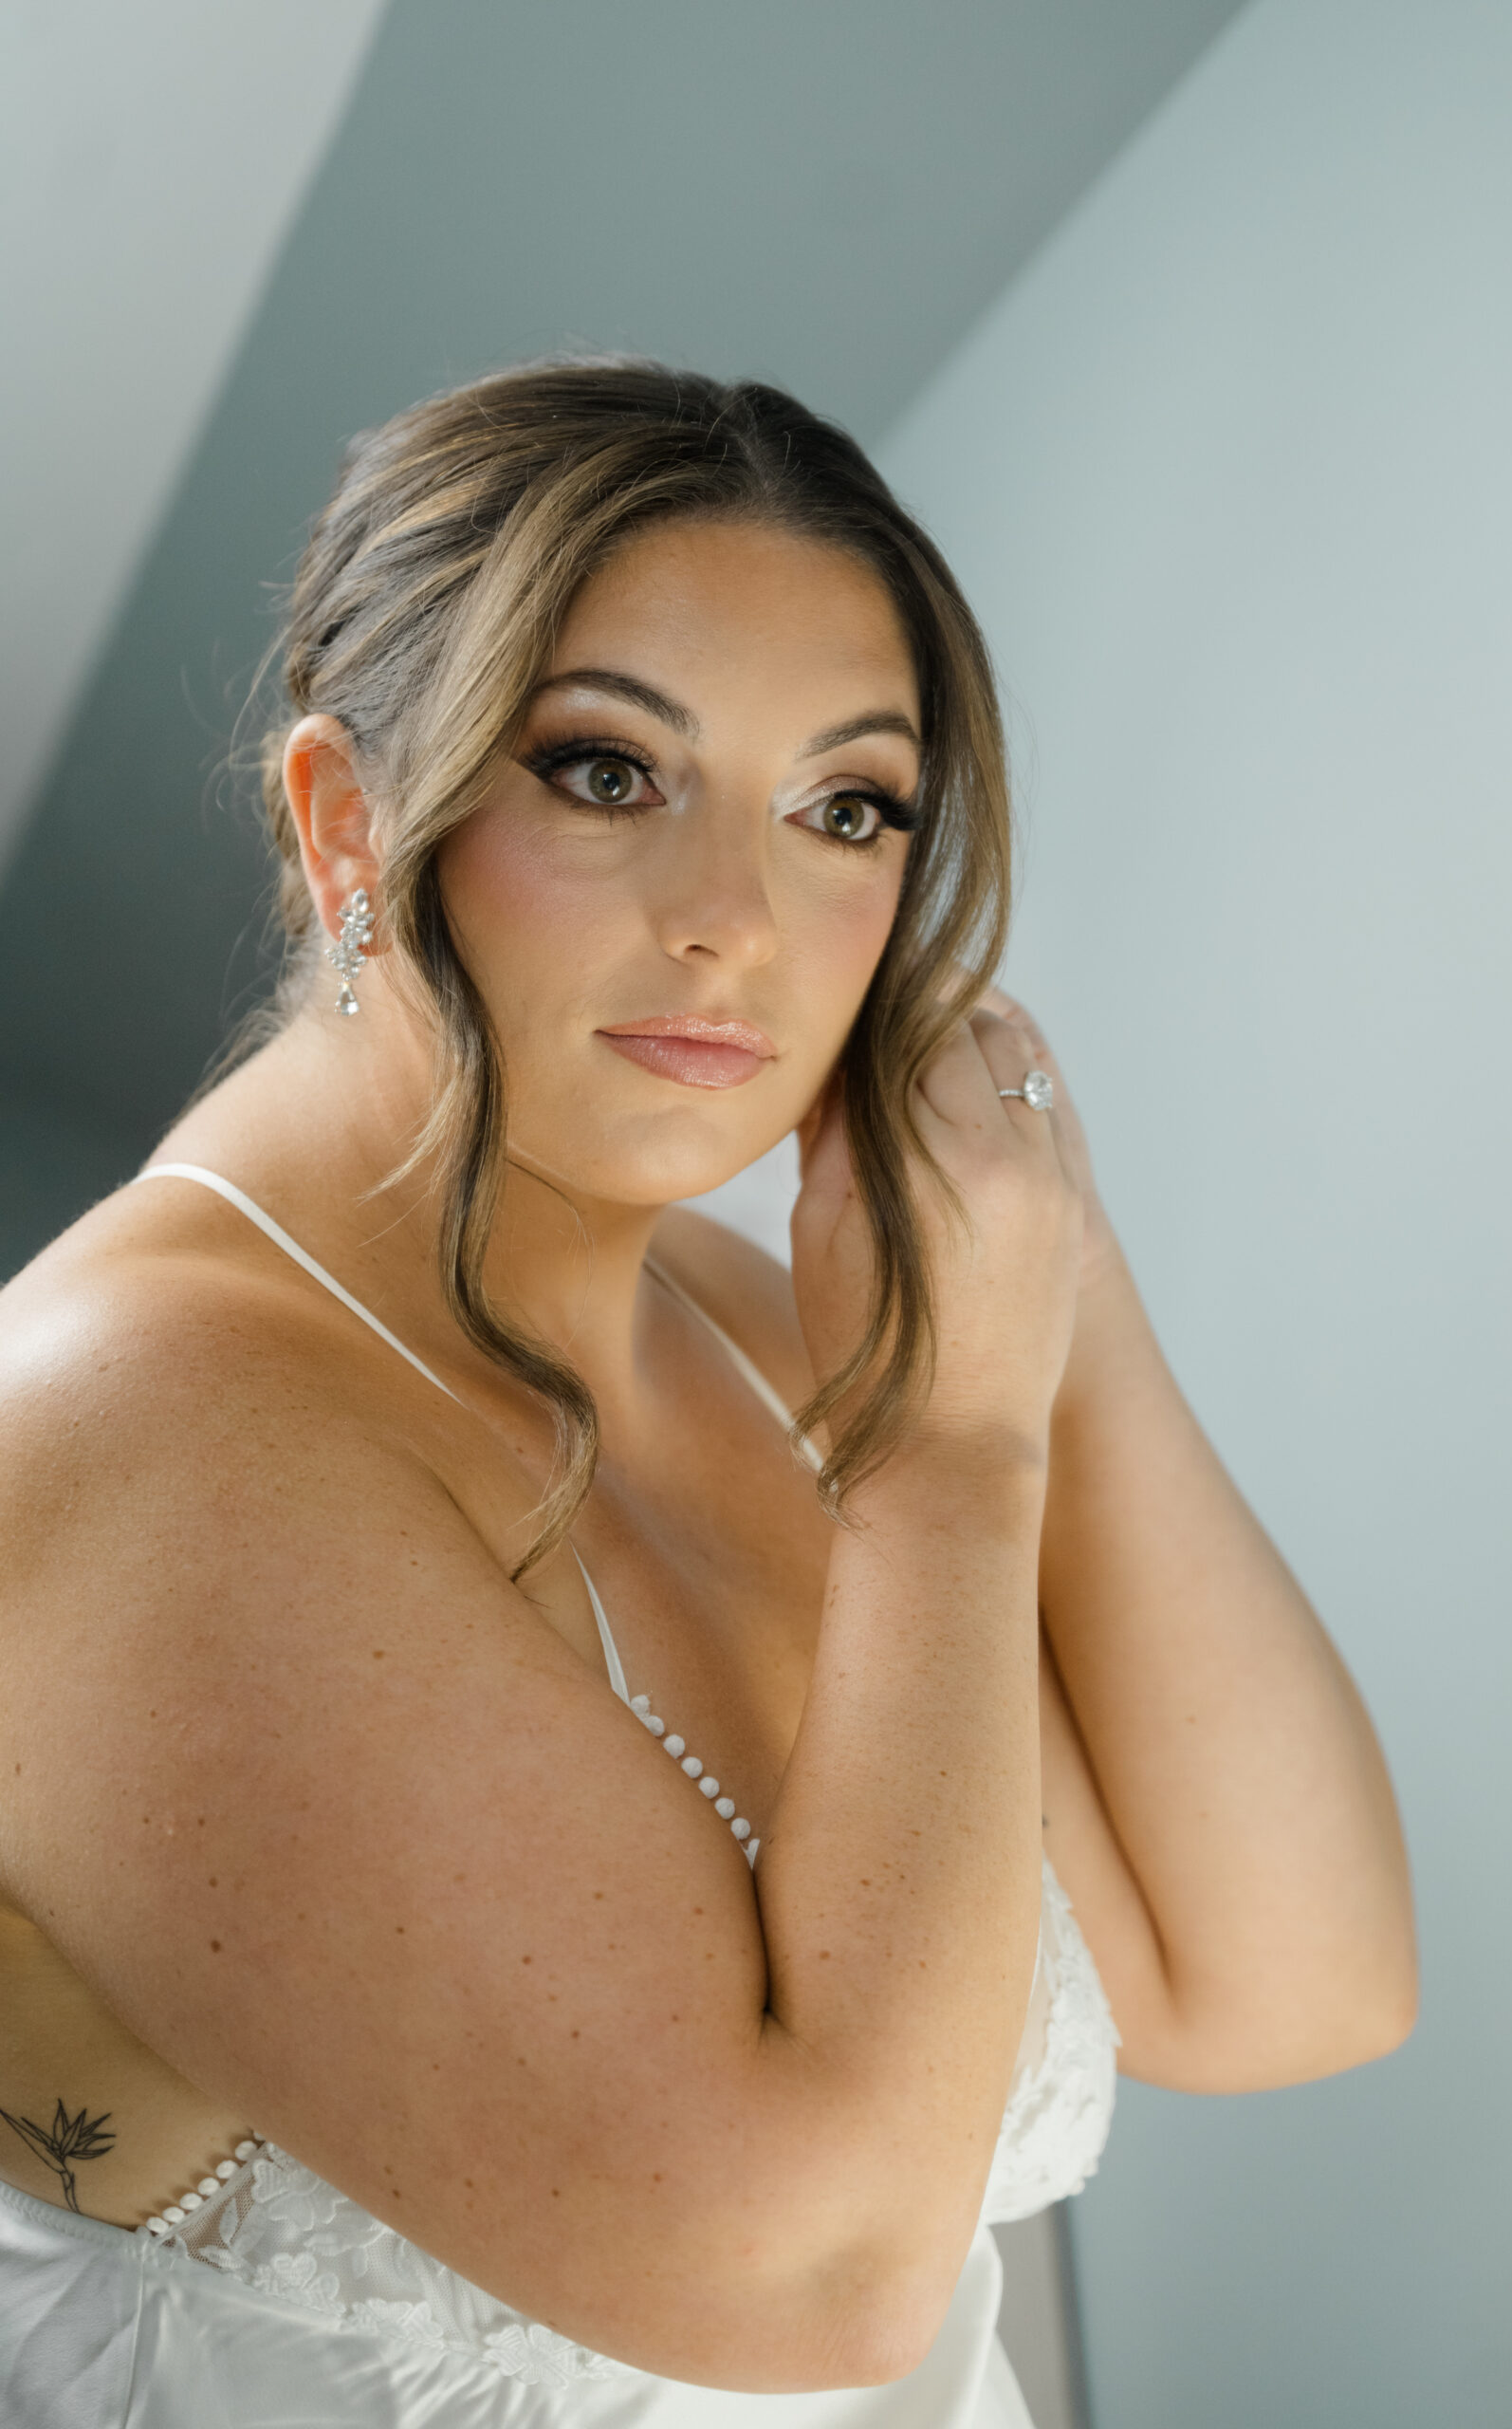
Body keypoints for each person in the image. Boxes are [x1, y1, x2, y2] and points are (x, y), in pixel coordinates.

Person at [0, 362, 1417, 2426]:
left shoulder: (755, 1330)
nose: (737, 923)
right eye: (608, 771)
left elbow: (1282, 1976)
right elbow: (820, 2275)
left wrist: (1047, 1265)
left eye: (846, 809)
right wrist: (952, 1456)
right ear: (348, 820)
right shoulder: (133, 1431)